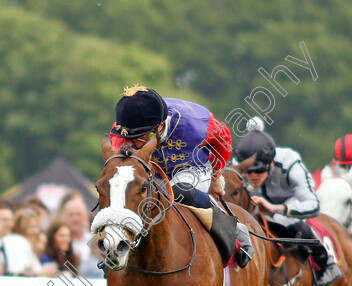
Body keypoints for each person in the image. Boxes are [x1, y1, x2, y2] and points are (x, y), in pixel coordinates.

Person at [109, 85, 254, 268]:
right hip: (151, 170)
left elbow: (223, 139)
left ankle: (234, 229)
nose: (134, 143)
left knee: (179, 191)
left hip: (191, 168)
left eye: (141, 137)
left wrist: (216, 175)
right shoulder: (125, 129)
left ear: (160, 126)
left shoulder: (196, 122)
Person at [234, 127, 342, 286]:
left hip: (288, 203)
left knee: (281, 219)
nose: (253, 176)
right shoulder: (236, 165)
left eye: (260, 170)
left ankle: (326, 263)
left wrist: (275, 208)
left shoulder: (289, 161)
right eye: (248, 172)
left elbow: (313, 205)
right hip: (254, 204)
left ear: (271, 163)